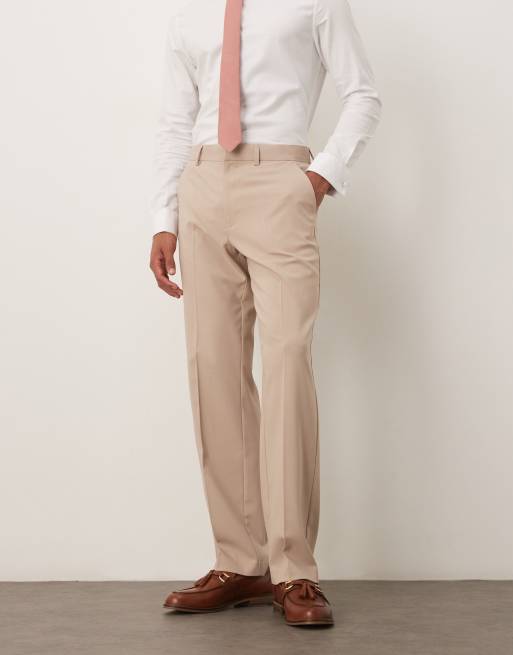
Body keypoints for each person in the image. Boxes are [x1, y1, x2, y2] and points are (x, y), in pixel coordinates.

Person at [149, 0, 381, 627]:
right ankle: (239, 560)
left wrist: (319, 176)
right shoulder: (189, 14)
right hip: (202, 183)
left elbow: (363, 94)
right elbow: (175, 121)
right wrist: (164, 216)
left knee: (286, 366)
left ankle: (294, 568)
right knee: (213, 371)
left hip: (280, 179)